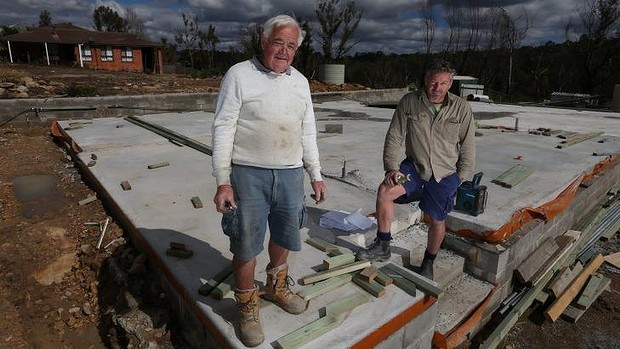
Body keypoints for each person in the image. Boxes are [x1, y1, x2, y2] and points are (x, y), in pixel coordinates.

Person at [211, 14, 327, 347]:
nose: (285, 51)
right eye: (279, 42)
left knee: (285, 234)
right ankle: (247, 304)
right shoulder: (239, 75)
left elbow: (308, 131)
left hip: (290, 173)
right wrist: (223, 180)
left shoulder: (300, 82)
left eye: (291, 45)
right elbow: (223, 128)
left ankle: (276, 286)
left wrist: (315, 174)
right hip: (248, 173)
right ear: (264, 41)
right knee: (246, 242)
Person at [356, 59, 475, 281]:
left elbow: (468, 145)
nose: (436, 88)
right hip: (414, 168)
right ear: (425, 81)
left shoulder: (461, 108)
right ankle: (383, 245)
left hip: (445, 174)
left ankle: (429, 262)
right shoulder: (410, 102)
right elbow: (395, 136)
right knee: (385, 192)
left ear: (450, 84)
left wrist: (460, 177)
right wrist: (391, 168)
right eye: (432, 83)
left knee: (437, 219)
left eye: (442, 83)